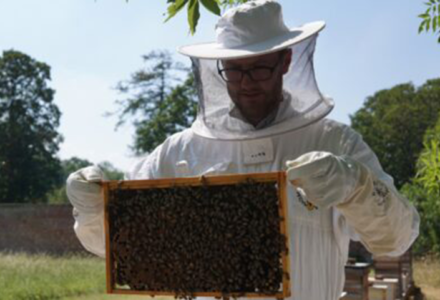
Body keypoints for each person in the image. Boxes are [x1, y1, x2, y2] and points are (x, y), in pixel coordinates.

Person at [66, 1, 420, 299]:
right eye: (234, 71)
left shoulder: (335, 142)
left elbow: (397, 238)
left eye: (259, 68)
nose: (246, 83)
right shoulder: (180, 151)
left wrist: (356, 187)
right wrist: (94, 210)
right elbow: (114, 245)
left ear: (285, 62)